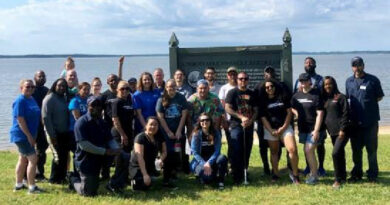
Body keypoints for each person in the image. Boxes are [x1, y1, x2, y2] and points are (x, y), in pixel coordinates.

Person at [70, 96, 121, 196]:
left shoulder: (103, 123)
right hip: (86, 161)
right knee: (88, 193)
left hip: (100, 158)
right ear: (88, 106)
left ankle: (114, 182)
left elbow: (109, 139)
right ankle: (73, 178)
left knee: (124, 156)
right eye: (93, 105)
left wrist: (116, 149)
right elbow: (84, 145)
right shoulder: (81, 123)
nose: (96, 108)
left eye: (99, 105)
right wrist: (105, 151)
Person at [346, 56, 384, 182]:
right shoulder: (348, 81)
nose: (357, 67)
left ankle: (372, 174)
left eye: (359, 64)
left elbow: (379, 97)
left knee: (371, 150)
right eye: (354, 65)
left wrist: (366, 106)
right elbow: (348, 99)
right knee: (356, 150)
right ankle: (357, 173)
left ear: (363, 65)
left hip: (370, 122)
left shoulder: (372, 80)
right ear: (352, 67)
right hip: (354, 122)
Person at [259, 79, 299, 183]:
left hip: (285, 128)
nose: (269, 88)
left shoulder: (283, 97)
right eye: (267, 87)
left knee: (292, 149)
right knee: (274, 152)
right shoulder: (263, 101)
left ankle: (295, 175)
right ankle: (275, 174)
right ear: (265, 89)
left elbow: (289, 113)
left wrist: (284, 127)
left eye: (271, 86)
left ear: (275, 86)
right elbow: (263, 118)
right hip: (270, 129)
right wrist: (271, 130)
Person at [293, 57, 326, 177]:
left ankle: (320, 167)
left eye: (310, 63)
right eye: (306, 63)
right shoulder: (298, 80)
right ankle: (309, 167)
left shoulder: (320, 79)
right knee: (307, 146)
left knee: (319, 144)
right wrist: (298, 113)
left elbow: (324, 95)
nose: (308, 64)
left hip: (317, 115)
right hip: (304, 120)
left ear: (315, 65)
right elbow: (295, 97)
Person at [10, 79, 43, 194]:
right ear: (21, 88)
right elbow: (20, 120)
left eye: (32, 87)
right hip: (21, 135)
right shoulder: (20, 101)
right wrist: (29, 136)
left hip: (29, 134)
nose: (30, 89)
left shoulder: (31, 98)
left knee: (23, 159)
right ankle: (32, 187)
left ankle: (19, 185)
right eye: (27, 87)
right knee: (33, 159)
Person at [225, 72, 258, 184]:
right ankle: (236, 173)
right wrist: (241, 117)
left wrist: (251, 120)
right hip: (236, 125)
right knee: (236, 148)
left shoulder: (252, 93)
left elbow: (256, 110)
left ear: (248, 80)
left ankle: (244, 171)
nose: (243, 81)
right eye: (240, 79)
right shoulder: (232, 92)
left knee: (247, 149)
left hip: (249, 126)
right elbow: (228, 108)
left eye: (245, 79)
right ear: (237, 80)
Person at [156, 79, 188, 185]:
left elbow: (184, 114)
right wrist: (168, 131)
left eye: (173, 86)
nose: (171, 88)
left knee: (177, 151)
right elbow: (160, 117)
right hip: (166, 130)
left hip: (178, 129)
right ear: (166, 87)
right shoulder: (161, 99)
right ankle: (167, 173)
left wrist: (179, 130)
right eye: (169, 86)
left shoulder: (181, 98)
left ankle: (176, 171)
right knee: (168, 151)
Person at [321, 76, 350, 188]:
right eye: (325, 84)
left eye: (329, 84)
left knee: (335, 153)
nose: (327, 86)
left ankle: (337, 180)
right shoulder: (325, 99)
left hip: (342, 131)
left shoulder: (341, 97)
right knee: (340, 153)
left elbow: (346, 113)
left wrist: (342, 129)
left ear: (334, 84)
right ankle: (343, 176)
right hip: (332, 131)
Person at [42, 78, 70, 184]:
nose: (62, 88)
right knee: (57, 156)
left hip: (64, 133)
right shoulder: (49, 98)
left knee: (64, 156)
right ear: (55, 85)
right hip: (54, 133)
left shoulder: (63, 98)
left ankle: (62, 177)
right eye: (59, 85)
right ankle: (53, 179)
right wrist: (52, 135)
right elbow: (45, 118)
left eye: (64, 86)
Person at [190, 113, 228, 189]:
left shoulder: (216, 133)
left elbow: (217, 150)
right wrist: (204, 164)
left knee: (222, 158)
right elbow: (195, 153)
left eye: (207, 120)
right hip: (200, 161)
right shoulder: (196, 134)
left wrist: (209, 163)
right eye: (202, 120)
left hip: (213, 160)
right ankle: (205, 176)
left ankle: (221, 181)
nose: (205, 122)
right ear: (199, 123)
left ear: (210, 121)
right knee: (207, 179)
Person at [100, 74, 120, 179]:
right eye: (111, 80)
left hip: (119, 128)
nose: (113, 82)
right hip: (108, 127)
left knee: (118, 152)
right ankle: (105, 174)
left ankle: (118, 174)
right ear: (107, 82)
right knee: (107, 152)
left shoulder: (121, 94)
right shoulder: (104, 95)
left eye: (115, 80)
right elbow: (99, 111)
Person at [218, 66, 237, 170]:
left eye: (234, 74)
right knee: (231, 143)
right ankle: (231, 164)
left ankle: (238, 164)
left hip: (239, 120)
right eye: (230, 74)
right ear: (227, 76)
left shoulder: (240, 86)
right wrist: (224, 119)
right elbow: (222, 105)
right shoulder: (224, 88)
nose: (232, 76)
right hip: (229, 120)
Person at [32, 70, 49, 181]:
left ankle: (40, 173)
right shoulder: (31, 90)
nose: (41, 78)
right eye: (39, 76)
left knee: (42, 150)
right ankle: (26, 175)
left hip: (44, 125)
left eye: (43, 76)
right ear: (35, 78)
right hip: (32, 125)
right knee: (29, 151)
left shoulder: (48, 91)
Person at [111, 81, 134, 152]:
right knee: (120, 157)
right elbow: (115, 120)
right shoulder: (116, 102)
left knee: (128, 155)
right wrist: (123, 135)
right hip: (119, 133)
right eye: (122, 89)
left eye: (127, 88)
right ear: (117, 90)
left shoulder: (129, 100)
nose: (125, 90)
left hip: (129, 131)